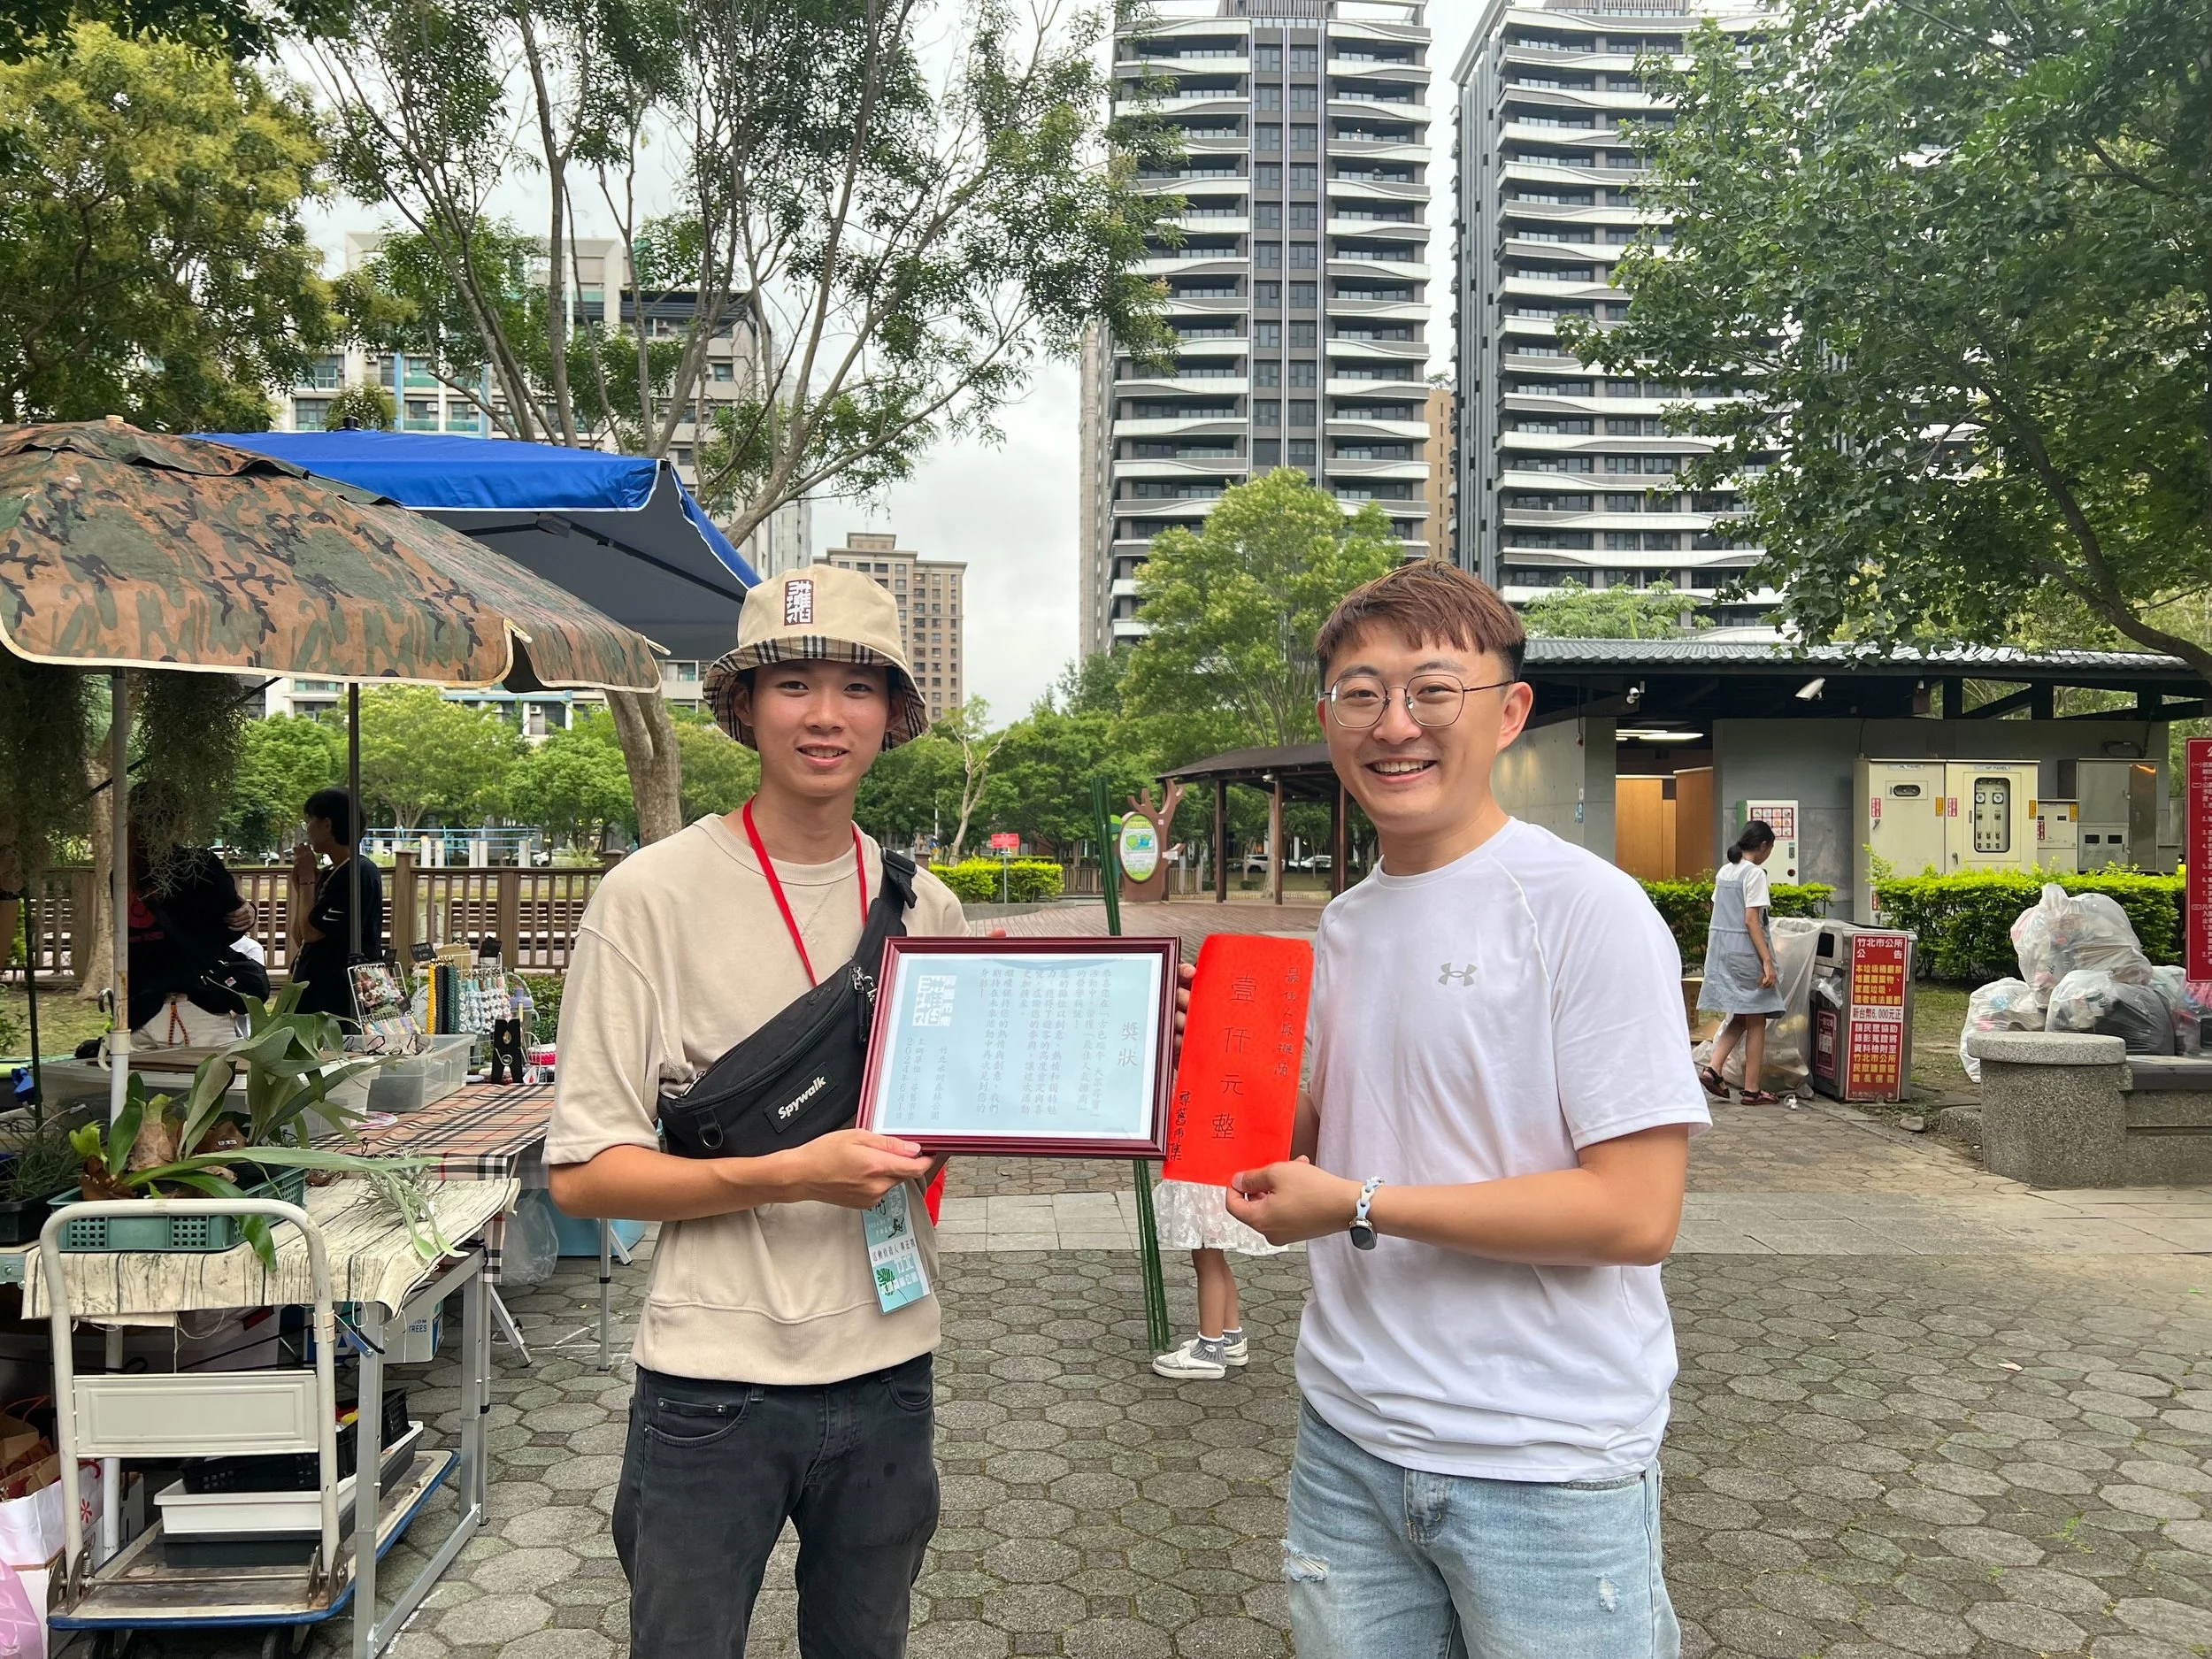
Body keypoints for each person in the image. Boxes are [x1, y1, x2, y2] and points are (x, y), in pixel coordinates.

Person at [1225, 561, 1709, 1659]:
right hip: (1347, 1433)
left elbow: (1634, 1215)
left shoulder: (1587, 911)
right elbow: (1335, 1132)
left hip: (1543, 1459)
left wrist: (1357, 1203)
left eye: (1432, 689)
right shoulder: (1344, 925)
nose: (1395, 724)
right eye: (1362, 693)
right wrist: (1214, 1077)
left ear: (1508, 712)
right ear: (1327, 720)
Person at [545, 566, 969, 1659]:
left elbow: (941, 1143)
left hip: (888, 1370)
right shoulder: (649, 895)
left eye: (857, 688)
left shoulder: (928, 906)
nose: (825, 715)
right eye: (793, 684)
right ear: (743, 707)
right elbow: (585, 1176)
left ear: (890, 716)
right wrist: (791, 1172)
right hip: (709, 1385)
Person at [126, 837, 259, 1048]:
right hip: (194, 1006)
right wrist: (246, 913)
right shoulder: (199, 864)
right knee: (228, 1077)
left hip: (138, 1010)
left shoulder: (124, 871)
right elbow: (231, 923)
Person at [1149, 1179, 1283, 1379]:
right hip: (1222, 1180)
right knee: (1214, 1255)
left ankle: (1209, 1348)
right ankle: (1229, 1337)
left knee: (1207, 1256)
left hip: (1206, 1176)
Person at [1699, 821, 1784, 1105]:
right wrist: (1767, 961)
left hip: (1723, 952)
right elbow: (1751, 921)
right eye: (1770, 848)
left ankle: (1713, 1068)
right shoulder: (1755, 874)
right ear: (1763, 846)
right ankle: (1752, 1090)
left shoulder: (1726, 871)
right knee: (1758, 1017)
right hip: (1746, 954)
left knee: (1740, 1014)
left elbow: (1718, 910)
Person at [288, 787, 383, 1021]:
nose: (307, 829)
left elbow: (311, 933)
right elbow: (299, 936)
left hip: (340, 996)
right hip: (317, 991)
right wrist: (304, 884)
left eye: (309, 820)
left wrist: (308, 880)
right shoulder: (333, 872)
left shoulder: (358, 872)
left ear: (327, 825)